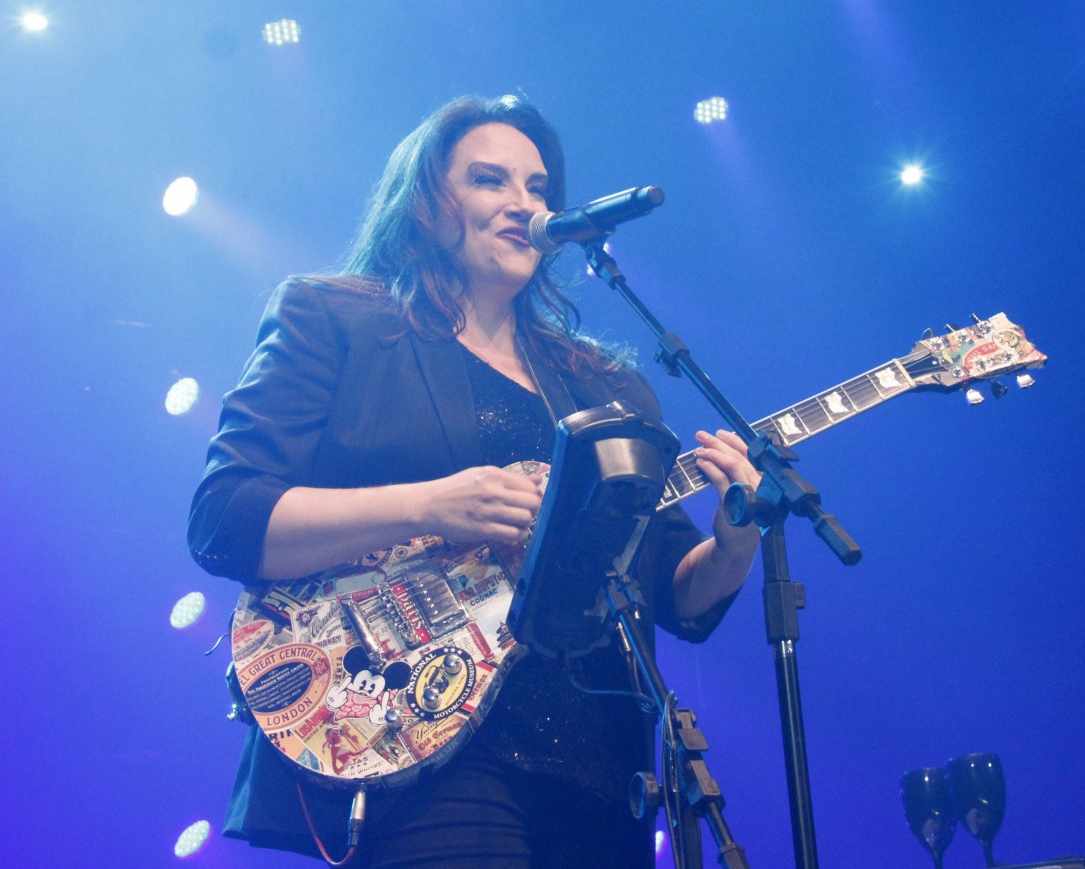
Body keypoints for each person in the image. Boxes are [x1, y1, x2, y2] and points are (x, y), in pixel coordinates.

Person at [188, 94, 761, 868]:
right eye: (491, 180)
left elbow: (669, 587)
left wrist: (734, 539)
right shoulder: (334, 318)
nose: (523, 204)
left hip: (596, 760)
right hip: (419, 738)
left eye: (537, 188)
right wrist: (431, 505)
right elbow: (227, 517)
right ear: (427, 204)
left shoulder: (606, 387)